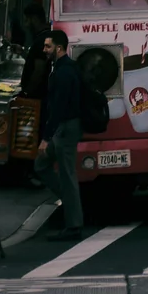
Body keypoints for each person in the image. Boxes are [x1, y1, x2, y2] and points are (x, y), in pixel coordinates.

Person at [35, 28, 84, 240]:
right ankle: (73, 204)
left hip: (64, 129)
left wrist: (46, 138)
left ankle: (73, 225)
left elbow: (58, 108)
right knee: (42, 166)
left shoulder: (64, 72)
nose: (44, 50)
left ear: (59, 47)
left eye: (48, 46)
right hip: (65, 128)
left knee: (66, 174)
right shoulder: (65, 68)